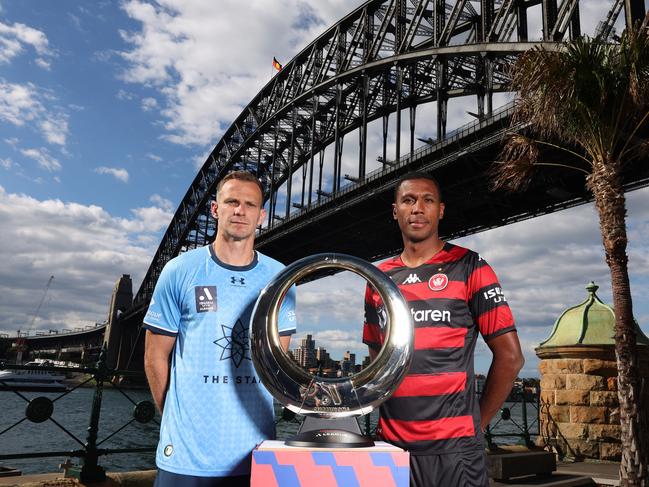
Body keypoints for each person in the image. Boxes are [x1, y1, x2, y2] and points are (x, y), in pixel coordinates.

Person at [363, 171, 524, 487]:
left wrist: (478, 425)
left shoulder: (470, 266)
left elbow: (511, 358)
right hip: (390, 447)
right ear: (395, 211)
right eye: (408, 200)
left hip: (455, 452)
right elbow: (376, 363)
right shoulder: (377, 280)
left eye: (428, 200)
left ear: (441, 210)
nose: (418, 208)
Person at [143, 170, 296, 487]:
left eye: (250, 205)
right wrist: (175, 420)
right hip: (185, 458)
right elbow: (155, 357)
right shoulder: (180, 270)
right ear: (215, 209)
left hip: (255, 453)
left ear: (261, 215)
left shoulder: (279, 278)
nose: (240, 211)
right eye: (232, 202)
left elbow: (277, 363)